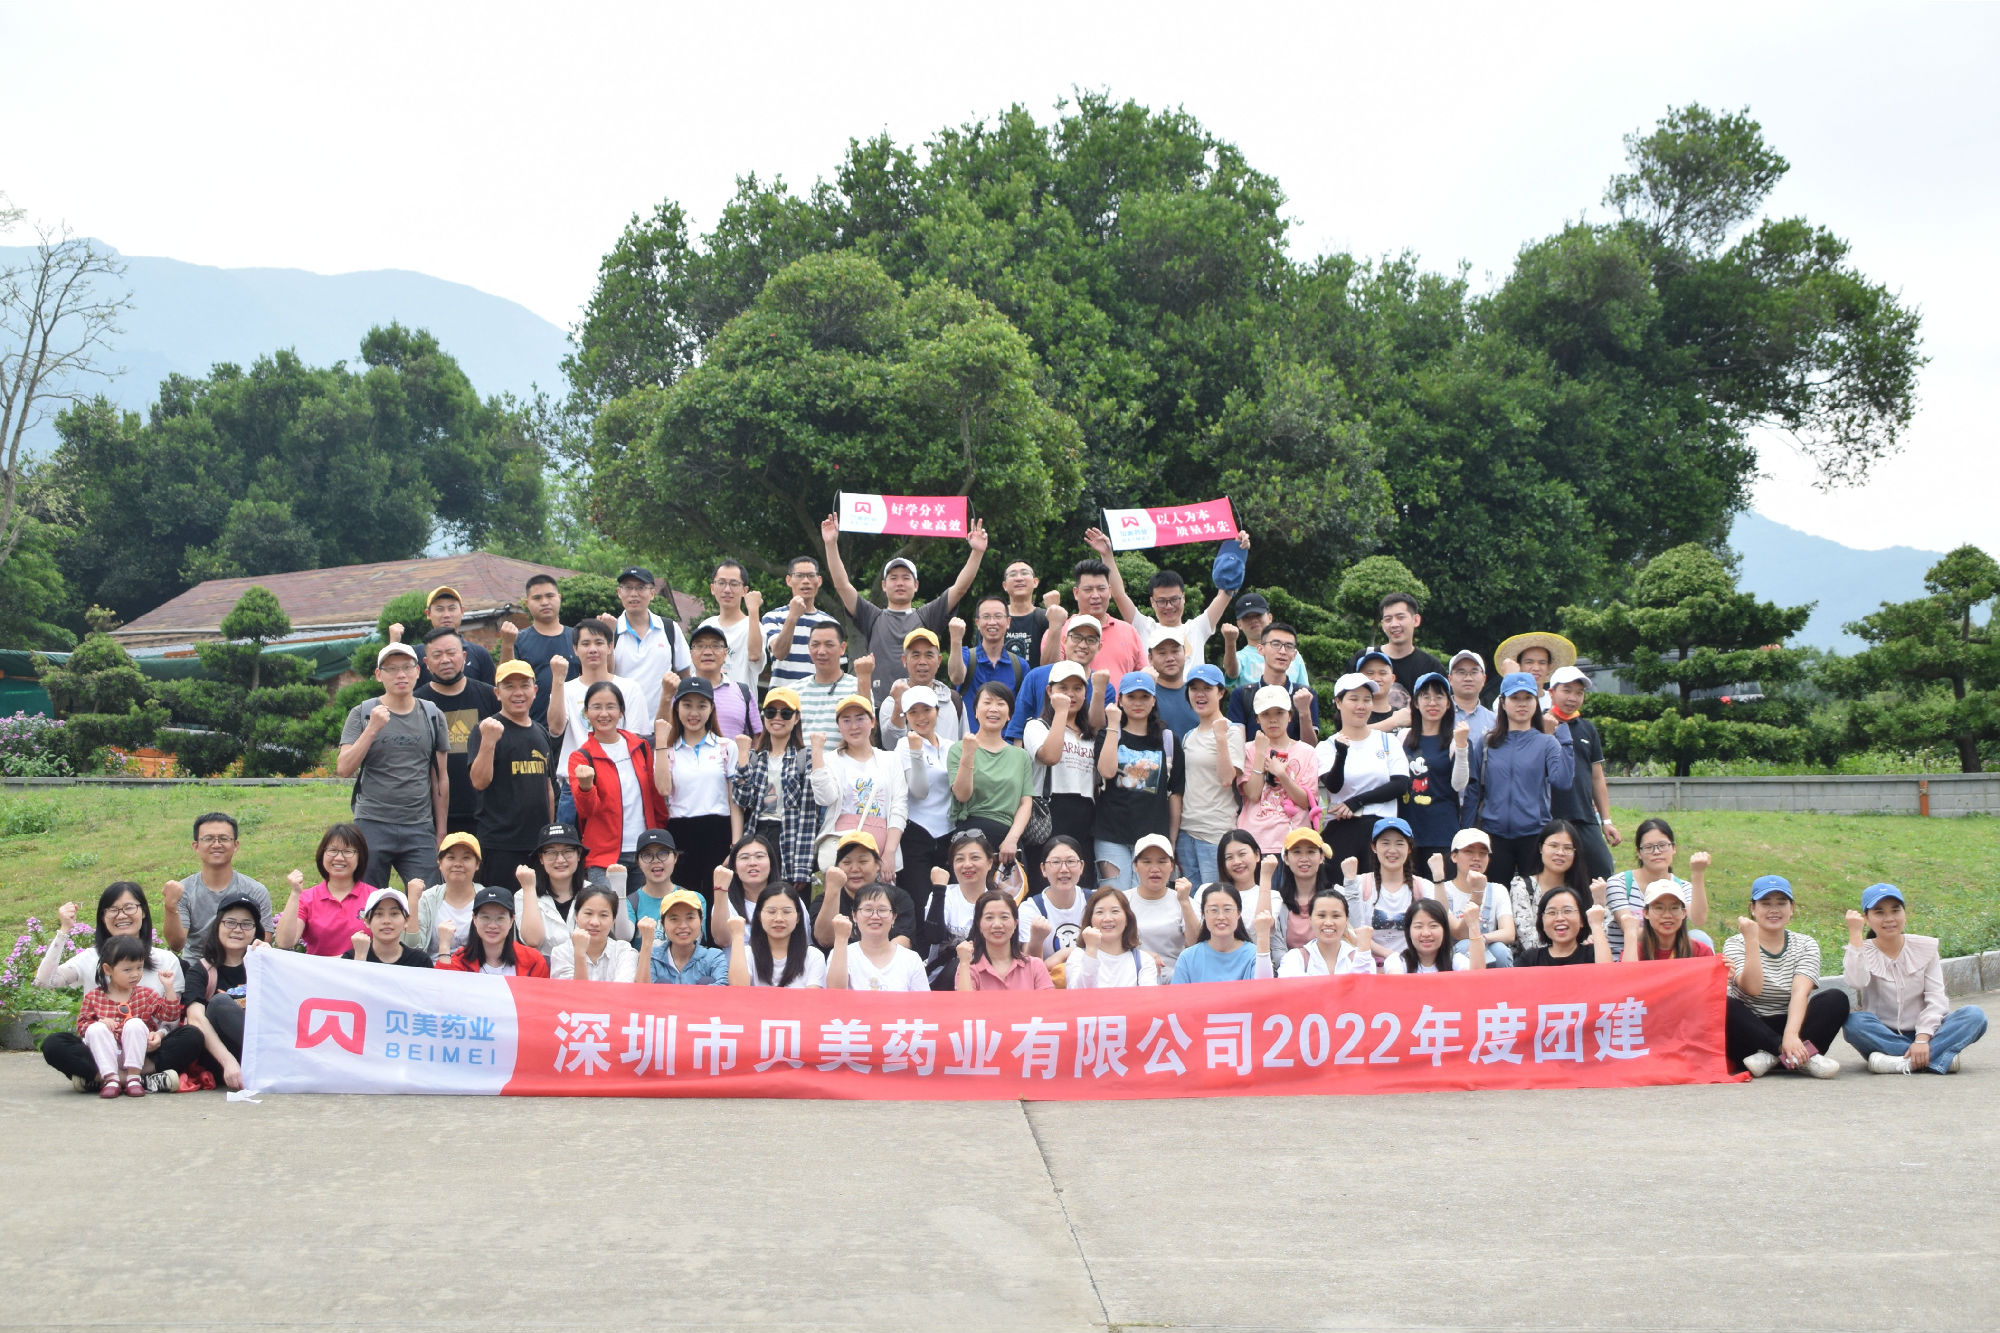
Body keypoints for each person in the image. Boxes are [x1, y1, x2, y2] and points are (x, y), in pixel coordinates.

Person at [37, 884, 196, 1094]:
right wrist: (64, 930)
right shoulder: (90, 958)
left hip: (148, 1049)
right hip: (101, 1049)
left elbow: (171, 1018)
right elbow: (45, 981)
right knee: (54, 1044)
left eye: (129, 907)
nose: (121, 915)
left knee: (192, 1037)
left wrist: (159, 1035)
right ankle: (138, 1080)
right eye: (113, 909)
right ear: (103, 916)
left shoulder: (165, 960)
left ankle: (100, 1079)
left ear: (143, 912)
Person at [821, 512, 989, 706]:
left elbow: (959, 589)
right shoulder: (872, 617)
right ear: (884, 585)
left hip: (921, 710)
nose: (899, 583)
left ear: (916, 585)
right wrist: (830, 544)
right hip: (879, 708)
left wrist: (977, 552)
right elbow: (842, 586)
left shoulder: (927, 616)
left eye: (906, 578)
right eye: (893, 578)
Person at [1841, 884, 1987, 1075]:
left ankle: (1900, 1062)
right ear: (1866, 918)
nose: (1889, 919)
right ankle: (1938, 1058)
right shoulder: (1861, 950)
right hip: (1883, 1035)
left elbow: (1936, 998)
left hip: (1930, 1033)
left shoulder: (1924, 947)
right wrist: (1855, 935)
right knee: (1854, 1023)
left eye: (1895, 910)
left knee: (1974, 1015)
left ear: (1904, 913)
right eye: (1879, 912)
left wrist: (1922, 1040)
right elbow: (1856, 982)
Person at [337, 642, 448, 891]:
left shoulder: (432, 714)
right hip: (372, 821)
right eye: (392, 669)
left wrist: (441, 832)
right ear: (379, 675)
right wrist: (372, 728)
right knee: (367, 900)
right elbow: (344, 768)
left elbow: (440, 778)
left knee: (428, 898)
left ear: (418, 671)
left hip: (419, 825)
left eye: (407, 667)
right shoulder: (363, 713)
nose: (401, 675)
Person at [1723, 876, 1846, 1077]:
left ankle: (1775, 1057)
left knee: (1835, 998)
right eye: (1765, 903)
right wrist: (1751, 940)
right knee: (1725, 1004)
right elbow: (1753, 988)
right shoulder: (1735, 943)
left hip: (1794, 1027)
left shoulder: (1806, 944)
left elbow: (1800, 993)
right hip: (1752, 1032)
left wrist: (1791, 1035)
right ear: (1752, 908)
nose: (1774, 910)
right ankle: (1791, 1054)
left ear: (1792, 908)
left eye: (1781, 903)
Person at [1461, 672, 1575, 886]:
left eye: (1528, 698)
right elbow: (1473, 790)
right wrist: (1467, 833)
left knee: (1535, 896)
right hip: (1493, 835)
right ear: (1503, 703)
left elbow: (1563, 781)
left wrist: (1565, 740)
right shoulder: (1486, 743)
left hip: (1534, 835)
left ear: (1536, 702)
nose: (1522, 704)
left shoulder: (1547, 743)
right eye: (1515, 698)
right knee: (1493, 895)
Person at [1087, 525, 1242, 663]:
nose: (1169, 606)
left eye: (1174, 599)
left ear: (1183, 598)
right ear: (1152, 602)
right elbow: (1119, 594)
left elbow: (1225, 593)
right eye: (1161, 601)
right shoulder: (1144, 627)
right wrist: (1107, 555)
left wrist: (1237, 549)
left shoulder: (1197, 629)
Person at [567, 679, 669, 886]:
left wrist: (658, 835)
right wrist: (586, 787)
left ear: (621, 711)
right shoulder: (581, 757)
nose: (604, 714)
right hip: (604, 858)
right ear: (586, 713)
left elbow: (655, 796)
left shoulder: (639, 747)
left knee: (645, 907)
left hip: (646, 853)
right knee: (607, 907)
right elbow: (586, 811)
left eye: (611, 707)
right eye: (596, 707)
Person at [466, 659, 556, 888]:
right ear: (497, 693)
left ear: (535, 690)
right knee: (501, 906)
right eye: (509, 686)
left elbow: (548, 787)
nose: (518, 693)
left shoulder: (541, 733)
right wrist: (489, 741)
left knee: (538, 904)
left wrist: (550, 835)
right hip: (500, 844)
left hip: (538, 845)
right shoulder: (486, 729)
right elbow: (478, 781)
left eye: (524, 685)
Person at [654, 676, 742, 906]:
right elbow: (663, 788)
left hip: (718, 831)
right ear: (677, 708)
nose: (694, 713)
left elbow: (734, 800)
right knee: (684, 901)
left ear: (711, 709)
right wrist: (661, 742)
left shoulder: (726, 747)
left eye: (701, 706)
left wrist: (736, 844)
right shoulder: (668, 750)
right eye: (687, 705)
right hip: (681, 831)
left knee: (718, 899)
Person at [1092, 672, 1182, 892]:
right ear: (1121, 700)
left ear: (1154, 700)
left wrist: (1171, 839)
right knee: (1115, 898)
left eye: (1144, 697)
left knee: (1147, 899)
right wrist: (1113, 724)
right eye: (1131, 697)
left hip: (1154, 836)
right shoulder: (1109, 735)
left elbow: (1175, 794)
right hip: (1111, 834)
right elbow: (1106, 771)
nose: (1138, 703)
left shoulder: (1168, 740)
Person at [1316, 672, 1411, 873]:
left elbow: (1400, 784)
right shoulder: (1327, 747)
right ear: (1338, 702)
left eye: (1367, 700)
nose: (1361, 706)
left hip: (1381, 831)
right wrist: (1341, 754)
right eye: (1354, 699)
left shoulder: (1387, 741)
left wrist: (1357, 801)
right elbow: (1333, 785)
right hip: (1341, 829)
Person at [729, 685, 822, 892]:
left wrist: (802, 867)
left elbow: (808, 814)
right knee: (754, 898)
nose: (777, 718)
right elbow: (742, 801)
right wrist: (743, 759)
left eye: (785, 713)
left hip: (790, 836)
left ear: (796, 718)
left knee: (788, 901)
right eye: (771, 712)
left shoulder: (805, 758)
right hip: (757, 833)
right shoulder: (754, 758)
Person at [413, 626, 502, 838]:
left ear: (463, 656)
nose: (445, 660)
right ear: (426, 663)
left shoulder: (489, 696)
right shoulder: (416, 704)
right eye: (437, 655)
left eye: (451, 653)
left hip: (485, 812)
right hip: (432, 813)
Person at [73, 936, 184, 1098]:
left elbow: (170, 1015)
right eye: (127, 970)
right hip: (102, 1054)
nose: (135, 974)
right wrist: (100, 1022)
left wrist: (168, 988)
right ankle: (111, 1079)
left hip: (140, 1055)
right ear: (108, 969)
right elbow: (82, 1026)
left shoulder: (145, 995)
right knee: (93, 1030)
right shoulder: (94, 997)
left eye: (139, 968)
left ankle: (133, 1078)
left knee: (136, 1024)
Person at [813, 693, 908, 877]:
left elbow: (899, 807)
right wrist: (817, 753)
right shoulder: (831, 760)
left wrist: (889, 852)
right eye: (846, 720)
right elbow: (825, 798)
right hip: (843, 848)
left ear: (872, 722)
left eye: (860, 718)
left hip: (881, 849)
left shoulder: (890, 759)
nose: (854, 726)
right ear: (839, 726)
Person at [160, 811, 272, 966]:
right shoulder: (183, 890)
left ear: (235, 845)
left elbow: (263, 940)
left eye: (224, 839)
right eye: (208, 839)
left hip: (242, 968)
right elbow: (176, 944)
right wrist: (170, 907)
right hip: (195, 968)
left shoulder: (255, 891)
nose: (217, 844)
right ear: (196, 846)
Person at [178, 891, 262, 1090]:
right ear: (218, 926)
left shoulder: (263, 966)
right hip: (220, 1059)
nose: (238, 930)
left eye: (246, 924)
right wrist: (228, 1062)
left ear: (255, 930)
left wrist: (270, 962)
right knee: (219, 1003)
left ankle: (271, 1060)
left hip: (259, 1053)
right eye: (230, 922)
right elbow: (196, 1018)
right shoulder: (201, 971)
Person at [1025, 662, 1099, 881]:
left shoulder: (1090, 735)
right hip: (1050, 811)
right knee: (1046, 880)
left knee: (1082, 882)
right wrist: (1060, 712)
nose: (1070, 694)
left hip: (1085, 812)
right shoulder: (1036, 726)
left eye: (1077, 688)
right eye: (1063, 688)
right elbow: (1050, 756)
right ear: (1050, 691)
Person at [947, 683, 1034, 867]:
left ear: (1009, 714)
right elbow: (962, 794)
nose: (994, 709)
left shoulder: (1021, 756)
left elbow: (1025, 803)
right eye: (987, 702)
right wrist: (968, 753)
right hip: (970, 836)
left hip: (1009, 841)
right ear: (976, 712)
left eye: (1001, 704)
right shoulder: (959, 749)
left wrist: (1012, 839)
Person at [1600, 817, 1714, 958]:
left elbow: (1699, 920)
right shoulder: (1620, 883)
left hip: (1669, 956)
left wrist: (1698, 874)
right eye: (1648, 847)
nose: (1656, 851)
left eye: (1662, 845)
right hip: (1627, 957)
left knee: (1700, 937)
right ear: (1638, 852)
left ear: (1673, 848)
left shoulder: (1682, 887)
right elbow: (1630, 931)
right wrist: (1669, 928)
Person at [923, 830, 1024, 987]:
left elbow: (1012, 947)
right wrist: (939, 890)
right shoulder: (944, 894)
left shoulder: (1001, 901)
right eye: (959, 859)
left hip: (991, 976)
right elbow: (933, 937)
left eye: (975, 858)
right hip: (945, 980)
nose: (967, 864)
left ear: (989, 862)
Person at [1544, 665, 1617, 880]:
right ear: (1551, 693)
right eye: (1566, 691)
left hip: (1583, 815)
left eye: (1579, 693)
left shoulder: (1587, 728)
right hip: (1547, 816)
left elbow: (1597, 776)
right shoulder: (1538, 724)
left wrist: (1606, 820)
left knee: (1602, 870)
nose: (1573, 698)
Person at [549, 617, 644, 782]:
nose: (592, 649)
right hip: (575, 781)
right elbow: (555, 729)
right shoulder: (565, 690)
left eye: (599, 643)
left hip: (619, 779)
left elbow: (635, 739)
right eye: (585, 644)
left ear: (610, 647)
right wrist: (557, 680)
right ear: (575, 649)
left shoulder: (630, 688)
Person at [890, 684, 954, 927]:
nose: (920, 717)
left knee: (948, 902)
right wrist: (916, 753)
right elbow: (919, 790)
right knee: (921, 903)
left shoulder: (951, 746)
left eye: (926, 710)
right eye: (913, 712)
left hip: (949, 834)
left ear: (937, 711)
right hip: (916, 834)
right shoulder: (903, 746)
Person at [1174, 666, 1244, 887]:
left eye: (1207, 688)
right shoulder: (1189, 736)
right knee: (1190, 900)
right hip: (1187, 831)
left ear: (1221, 692)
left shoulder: (1232, 732)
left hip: (1215, 833)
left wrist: (1220, 737)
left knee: (1215, 898)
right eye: (1194, 688)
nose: (1200, 694)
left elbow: (1227, 778)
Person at [517, 821, 634, 950]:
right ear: (541, 858)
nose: (560, 860)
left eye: (567, 851)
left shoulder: (593, 893)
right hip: (544, 962)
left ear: (578, 854)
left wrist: (619, 888)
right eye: (551, 852)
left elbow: (621, 937)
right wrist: (529, 889)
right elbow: (533, 940)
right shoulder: (525, 894)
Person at [1005, 615, 1115, 742]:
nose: (1083, 645)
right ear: (1064, 640)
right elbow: (1018, 731)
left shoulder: (1105, 687)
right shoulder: (1036, 677)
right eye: (1077, 637)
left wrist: (1098, 691)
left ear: (1099, 647)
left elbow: (1099, 733)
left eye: (1091, 640)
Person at [1237, 684, 1319, 853]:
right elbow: (1252, 794)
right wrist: (1260, 753)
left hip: (1295, 842)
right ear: (1257, 718)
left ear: (1290, 716)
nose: (1273, 719)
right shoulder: (1248, 749)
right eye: (1265, 714)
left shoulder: (1307, 752)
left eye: (1279, 713)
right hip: (1255, 841)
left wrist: (1281, 774)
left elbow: (1306, 801)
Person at [1400, 674, 1469, 874]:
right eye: (1426, 697)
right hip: (1406, 830)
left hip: (1441, 831)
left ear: (1448, 703)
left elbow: (1459, 785)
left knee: (1440, 888)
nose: (1432, 703)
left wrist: (1462, 747)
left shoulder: (1455, 740)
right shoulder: (1402, 737)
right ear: (1416, 702)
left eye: (1439, 697)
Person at [1342, 816, 1435, 965]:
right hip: (1369, 966)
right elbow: (1352, 930)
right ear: (1374, 847)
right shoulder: (1359, 883)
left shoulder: (1423, 887)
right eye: (1385, 843)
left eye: (1399, 843)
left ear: (1409, 848)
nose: (1392, 850)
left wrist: (1439, 879)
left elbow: (1441, 923)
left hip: (1411, 966)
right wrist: (1391, 956)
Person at [1038, 554, 1144, 682]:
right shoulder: (1060, 630)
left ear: (1110, 591)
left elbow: (1143, 678)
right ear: (1076, 593)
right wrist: (1055, 627)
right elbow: (1048, 674)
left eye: (1101, 589)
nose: (1095, 595)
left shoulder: (1129, 631)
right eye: (1088, 589)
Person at [275, 824, 375, 957]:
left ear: (360, 856)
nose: (339, 857)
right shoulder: (307, 898)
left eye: (347, 851)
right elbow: (284, 942)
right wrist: (295, 894)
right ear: (322, 854)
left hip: (362, 969)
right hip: (317, 970)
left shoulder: (375, 898)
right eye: (332, 850)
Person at [1507, 820, 1601, 959]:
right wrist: (1569, 948)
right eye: (1553, 846)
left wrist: (1600, 903)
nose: (1560, 853)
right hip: (1535, 962)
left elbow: (1602, 939)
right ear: (1541, 848)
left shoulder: (1583, 888)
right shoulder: (1522, 886)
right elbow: (1528, 939)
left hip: (1578, 963)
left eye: (1568, 848)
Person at [611, 566, 691, 723]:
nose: (634, 594)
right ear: (619, 592)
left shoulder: (669, 629)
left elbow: (685, 677)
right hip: (621, 727)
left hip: (664, 726)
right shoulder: (611, 631)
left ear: (652, 593)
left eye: (641, 588)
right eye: (628, 587)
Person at [812, 834, 917, 951]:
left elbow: (905, 938)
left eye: (863, 861)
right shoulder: (824, 901)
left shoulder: (898, 898)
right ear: (838, 867)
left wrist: (871, 959)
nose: (854, 869)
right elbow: (825, 940)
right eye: (846, 862)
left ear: (878, 865)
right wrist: (832, 890)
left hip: (885, 960)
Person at [497, 573, 574, 730]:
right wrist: (507, 644)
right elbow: (504, 678)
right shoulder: (518, 640)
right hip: (533, 729)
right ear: (527, 603)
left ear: (559, 598)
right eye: (537, 598)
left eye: (550, 596)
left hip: (576, 728)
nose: (544, 602)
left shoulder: (578, 638)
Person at [1206, 831, 1287, 973]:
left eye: (1242, 854)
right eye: (1229, 857)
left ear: (1257, 855)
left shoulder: (1273, 896)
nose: (1237, 862)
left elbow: (1261, 928)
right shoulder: (1208, 892)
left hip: (1252, 967)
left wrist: (1266, 876)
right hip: (1213, 965)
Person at [727, 882, 836, 988]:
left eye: (786, 912)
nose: (779, 918)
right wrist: (737, 936)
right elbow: (737, 989)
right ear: (759, 916)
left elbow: (812, 997)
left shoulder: (813, 956)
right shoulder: (747, 954)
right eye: (771, 911)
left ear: (798, 917)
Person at [1226, 623, 1318, 743]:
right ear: (1260, 649)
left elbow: (1311, 747)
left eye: (1289, 646)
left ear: (1294, 655)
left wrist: (1304, 712)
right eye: (1275, 644)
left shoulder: (1305, 695)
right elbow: (1237, 745)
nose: (1282, 651)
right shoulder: (1242, 694)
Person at [760, 556, 841, 691]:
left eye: (811, 575)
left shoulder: (831, 624)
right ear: (788, 580)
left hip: (818, 698)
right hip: (782, 699)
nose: (806, 581)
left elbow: (835, 668)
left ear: (819, 580)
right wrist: (793, 616)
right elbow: (779, 653)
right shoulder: (772, 617)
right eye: (799, 576)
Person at [1125, 834, 1198, 981]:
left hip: (1176, 979)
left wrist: (1184, 903)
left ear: (1172, 866)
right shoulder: (1122, 901)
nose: (1154, 869)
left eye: (1162, 861)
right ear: (1135, 866)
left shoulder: (1184, 900)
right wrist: (1141, 958)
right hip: (1132, 978)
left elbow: (1196, 944)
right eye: (1146, 862)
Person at [392, 584, 496, 686]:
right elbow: (396, 684)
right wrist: (393, 643)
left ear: (462, 611)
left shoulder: (480, 654)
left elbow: (492, 693)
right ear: (428, 614)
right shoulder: (415, 655)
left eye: (451, 608)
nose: (446, 615)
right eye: (439, 609)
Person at [1171, 883, 1276, 982]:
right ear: (1203, 914)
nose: (1221, 917)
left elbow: (1265, 988)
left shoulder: (1254, 954)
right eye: (1213, 910)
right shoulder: (1188, 957)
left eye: (1227, 909)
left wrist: (1263, 936)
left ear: (1239, 913)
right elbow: (1178, 994)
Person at [1442, 829, 1516, 968]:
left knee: (1500, 950)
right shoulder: (1443, 891)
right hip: (1456, 958)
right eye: (1469, 852)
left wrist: (1483, 938)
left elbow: (1509, 933)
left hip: (1489, 948)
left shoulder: (1498, 889)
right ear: (1454, 856)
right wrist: (1478, 892)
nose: (1476, 858)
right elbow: (1459, 934)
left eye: (1483, 853)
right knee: (1465, 944)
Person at [838, 882, 930, 991]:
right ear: (854, 916)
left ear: (894, 917)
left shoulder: (911, 959)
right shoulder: (841, 954)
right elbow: (834, 994)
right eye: (868, 910)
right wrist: (840, 939)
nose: (875, 916)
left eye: (882, 910)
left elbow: (922, 1000)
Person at [948, 594, 1029, 719]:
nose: (992, 622)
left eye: (998, 616)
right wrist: (956, 639)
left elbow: (1024, 709)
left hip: (1006, 732)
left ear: (1008, 622)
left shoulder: (1019, 666)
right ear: (977, 623)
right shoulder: (966, 657)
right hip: (970, 732)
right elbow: (956, 678)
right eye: (986, 617)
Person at [440, 886, 550, 976]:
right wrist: (444, 946)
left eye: (500, 918)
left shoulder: (533, 960)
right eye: (485, 917)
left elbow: (542, 994)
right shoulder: (461, 960)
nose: (492, 925)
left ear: (511, 920)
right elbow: (443, 990)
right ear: (475, 919)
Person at [955, 891, 1054, 991]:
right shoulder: (969, 967)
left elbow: (1048, 1000)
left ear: (1015, 923)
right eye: (989, 918)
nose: (997, 924)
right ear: (979, 924)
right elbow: (964, 1000)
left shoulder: (1035, 966)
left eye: (1004, 917)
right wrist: (964, 963)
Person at [880, 628, 964, 747]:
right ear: (904, 660)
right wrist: (899, 706)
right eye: (916, 655)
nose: (922, 662)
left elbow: (964, 746)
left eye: (929, 655)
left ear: (939, 660)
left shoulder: (953, 701)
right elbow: (890, 745)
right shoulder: (892, 703)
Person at [1063, 887, 1161, 988]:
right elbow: (1081, 993)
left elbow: (1148, 996)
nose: (1107, 919)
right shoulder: (1078, 956)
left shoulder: (1144, 960)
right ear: (1090, 920)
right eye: (1100, 912)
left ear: (1127, 919)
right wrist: (1091, 951)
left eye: (1115, 911)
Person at [409, 832, 483, 960]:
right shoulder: (427, 899)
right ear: (440, 862)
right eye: (451, 858)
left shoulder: (487, 899)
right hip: (433, 969)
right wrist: (412, 902)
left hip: (476, 969)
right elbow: (411, 948)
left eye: (466, 858)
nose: (458, 864)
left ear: (477, 864)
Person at [684, 623, 762, 742]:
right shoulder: (679, 692)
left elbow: (757, 740)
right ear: (691, 653)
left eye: (715, 646)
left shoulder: (743, 693)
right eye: (700, 646)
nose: (707, 652)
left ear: (725, 652)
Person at [709, 833, 789, 948]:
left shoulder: (789, 900)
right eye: (744, 857)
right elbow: (722, 940)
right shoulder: (726, 904)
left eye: (759, 856)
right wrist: (720, 889)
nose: (752, 863)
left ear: (771, 863)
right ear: (734, 867)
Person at [697, 558, 766, 690]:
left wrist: (753, 610)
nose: (727, 589)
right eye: (721, 583)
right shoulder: (706, 626)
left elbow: (755, 657)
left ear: (744, 590)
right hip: (708, 700)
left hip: (740, 701)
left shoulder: (753, 626)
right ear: (712, 588)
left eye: (734, 584)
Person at [549, 884, 641, 981]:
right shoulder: (561, 953)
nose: (595, 922)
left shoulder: (623, 951)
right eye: (588, 913)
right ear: (576, 915)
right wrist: (579, 955)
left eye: (603, 915)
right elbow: (571, 990)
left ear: (613, 920)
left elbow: (623, 988)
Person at [1218, 593, 1309, 691]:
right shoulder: (1239, 658)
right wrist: (1230, 641)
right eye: (1247, 617)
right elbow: (1232, 673)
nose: (1253, 620)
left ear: (1269, 618)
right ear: (1239, 624)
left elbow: (1306, 691)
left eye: (1258, 615)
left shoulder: (1292, 653)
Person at [1020, 836, 1091, 960]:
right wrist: (1036, 939)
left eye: (1071, 861)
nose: (1064, 869)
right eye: (1056, 862)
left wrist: (1065, 954)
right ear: (1043, 869)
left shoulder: (1096, 902)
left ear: (1081, 866)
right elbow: (1029, 965)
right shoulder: (1030, 909)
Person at [1278, 889, 1377, 977]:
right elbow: (1292, 987)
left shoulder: (1361, 957)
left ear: (1346, 920)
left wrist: (1364, 951)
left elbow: (1363, 987)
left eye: (1336, 916)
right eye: (1321, 915)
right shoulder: (1295, 958)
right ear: (1310, 919)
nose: (1328, 923)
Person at [641, 889, 730, 985]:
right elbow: (642, 989)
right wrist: (646, 943)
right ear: (663, 924)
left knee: (706, 982)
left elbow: (724, 986)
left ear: (701, 920)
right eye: (674, 919)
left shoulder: (713, 957)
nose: (683, 926)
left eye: (690, 918)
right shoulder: (652, 957)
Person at [1366, 594, 1446, 699]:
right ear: (1383, 625)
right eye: (1388, 619)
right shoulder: (1365, 659)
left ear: (1416, 620)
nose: (1394, 624)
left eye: (1400, 617)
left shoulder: (1431, 667)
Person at [1615, 880, 1714, 963]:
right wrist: (1630, 935)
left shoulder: (1701, 952)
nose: (1667, 915)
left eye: (1674, 908)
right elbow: (1626, 977)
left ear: (1684, 913)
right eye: (1659, 908)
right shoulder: (1634, 952)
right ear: (1646, 913)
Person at [795, 623, 866, 738]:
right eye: (815, 645)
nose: (821, 651)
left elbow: (867, 731)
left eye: (829, 645)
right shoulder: (794, 691)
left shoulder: (857, 687)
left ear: (842, 648)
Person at [1514, 886, 1613, 968]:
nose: (1560, 918)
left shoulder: (1594, 954)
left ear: (1582, 920)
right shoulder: (1530, 959)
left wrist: (1596, 925)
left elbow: (1607, 976)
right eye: (1552, 912)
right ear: (1542, 922)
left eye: (1567, 911)